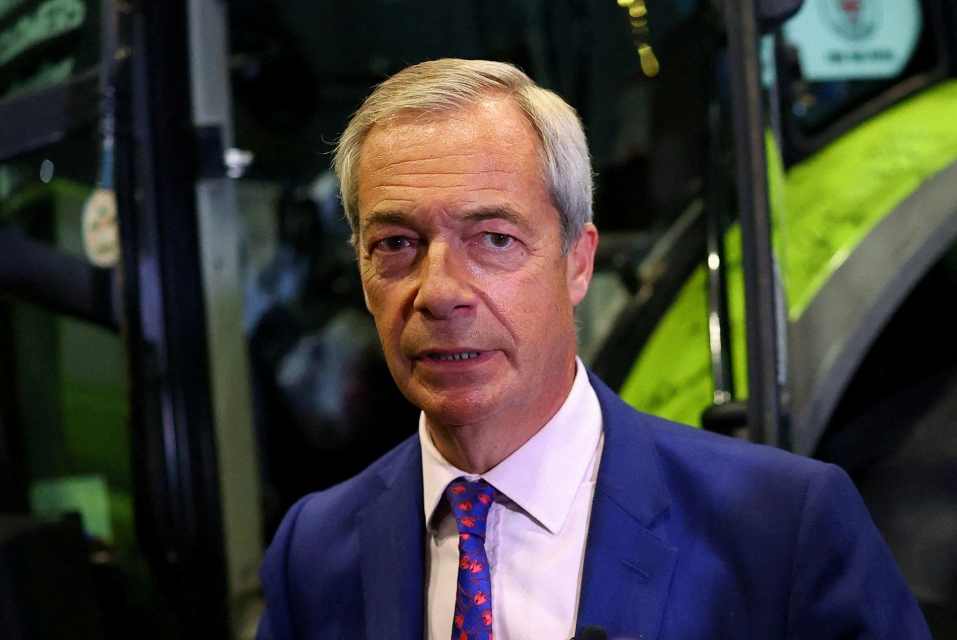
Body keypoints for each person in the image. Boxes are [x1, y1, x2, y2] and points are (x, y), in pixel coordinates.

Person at [255, 58, 931, 640]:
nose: (439, 293)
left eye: (494, 239)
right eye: (396, 245)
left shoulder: (780, 526)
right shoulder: (312, 552)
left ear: (578, 263)